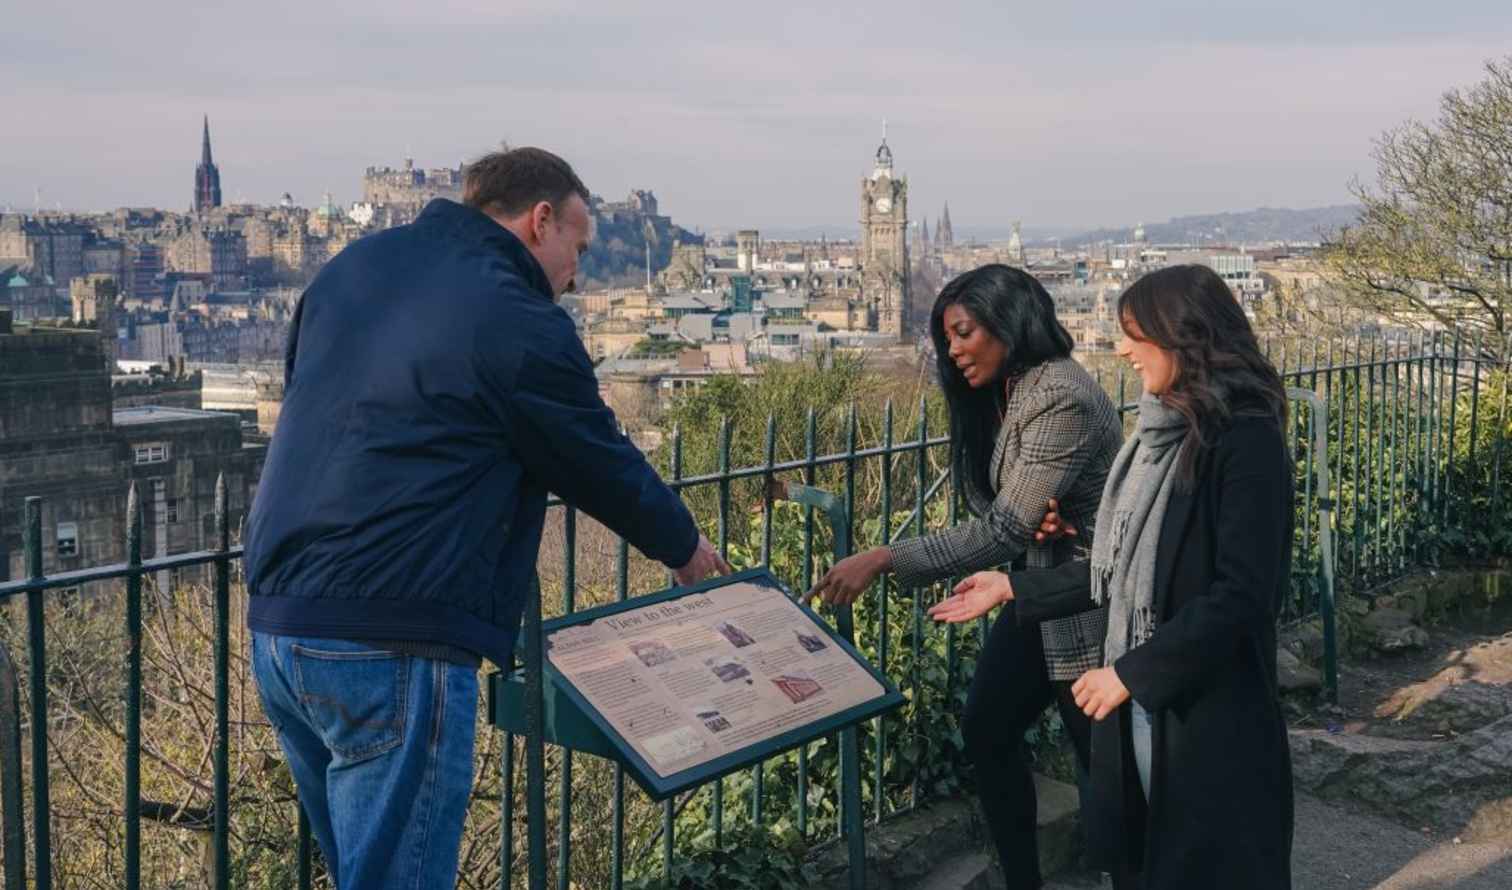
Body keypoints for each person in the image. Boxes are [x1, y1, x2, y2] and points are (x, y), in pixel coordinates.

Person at [243, 148, 730, 888]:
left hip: (280, 624)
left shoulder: (353, 268)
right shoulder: (515, 313)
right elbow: (594, 454)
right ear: (541, 221)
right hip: (394, 628)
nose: (578, 275)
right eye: (578, 247)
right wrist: (686, 547)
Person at [931, 264, 1295, 889]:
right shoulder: (1164, 441)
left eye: (1135, 334)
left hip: (1209, 715)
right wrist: (1013, 586)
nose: (1122, 349)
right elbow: (1120, 568)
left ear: (1185, 337)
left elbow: (1242, 596)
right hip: (1162, 701)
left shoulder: (1247, 443)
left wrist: (1130, 674)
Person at [808, 264, 1124, 889]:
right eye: (946, 337)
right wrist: (1030, 515)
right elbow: (994, 504)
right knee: (988, 728)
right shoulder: (1003, 393)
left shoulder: (1058, 393)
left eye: (963, 333)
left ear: (1009, 323)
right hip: (1036, 588)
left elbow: (1001, 528)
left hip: (1084, 598)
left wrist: (884, 558)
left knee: (1106, 766)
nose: (952, 351)